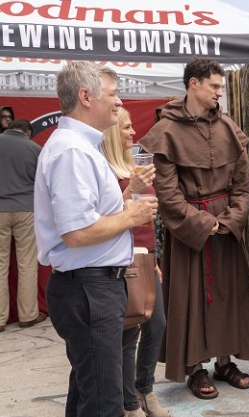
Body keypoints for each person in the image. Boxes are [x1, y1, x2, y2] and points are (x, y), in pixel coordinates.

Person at [34, 62, 158, 417]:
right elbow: (77, 233)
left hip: (92, 286)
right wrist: (131, 216)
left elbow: (90, 217)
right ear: (86, 97)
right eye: (114, 94)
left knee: (89, 393)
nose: (120, 103)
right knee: (104, 402)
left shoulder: (81, 146)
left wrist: (127, 199)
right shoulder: (73, 150)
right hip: (89, 288)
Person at [138, 57, 249, 400]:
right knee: (192, 301)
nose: (219, 93)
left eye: (221, 87)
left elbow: (243, 184)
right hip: (190, 231)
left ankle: (225, 362)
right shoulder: (167, 130)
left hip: (228, 229)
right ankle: (196, 369)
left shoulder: (229, 128)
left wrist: (233, 219)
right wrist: (205, 224)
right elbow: (167, 193)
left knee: (229, 297)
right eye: (214, 86)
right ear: (194, 83)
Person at [101, 108, 171, 417]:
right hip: (116, 259)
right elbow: (105, 218)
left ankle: (145, 389)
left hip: (143, 257)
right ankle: (130, 403)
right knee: (128, 333)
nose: (133, 133)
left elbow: (146, 220)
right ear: (112, 131)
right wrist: (132, 191)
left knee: (156, 324)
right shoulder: (102, 169)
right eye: (127, 127)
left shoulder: (133, 165)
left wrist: (154, 256)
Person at [0, 119, 46, 333]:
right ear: (27, 132)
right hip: (27, 209)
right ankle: (28, 316)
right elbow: (44, 183)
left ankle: (0, 319)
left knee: (0, 265)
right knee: (27, 263)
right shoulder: (35, 149)